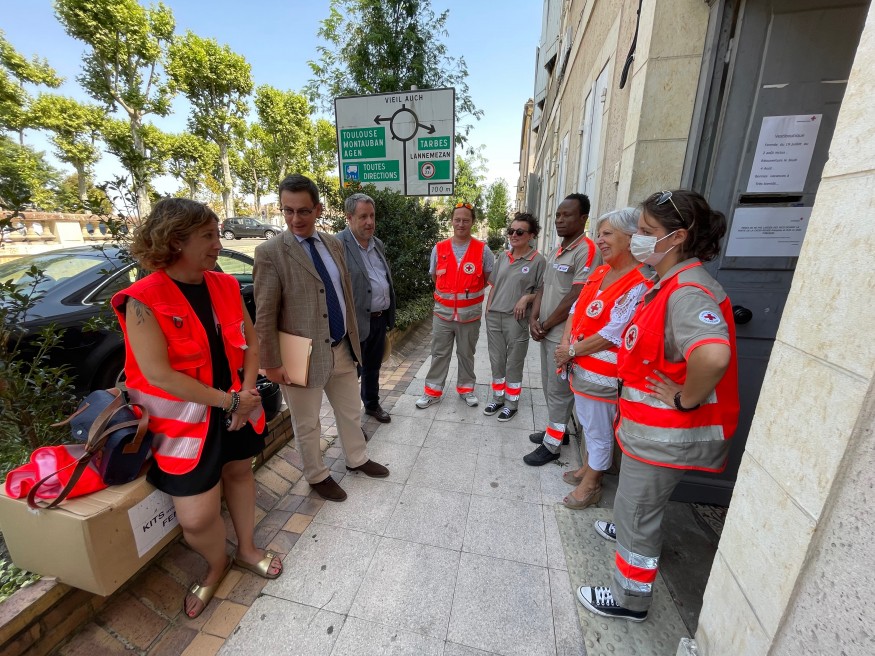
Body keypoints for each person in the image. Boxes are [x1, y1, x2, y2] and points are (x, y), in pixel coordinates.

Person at [111, 198, 282, 620]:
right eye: (208, 236)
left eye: (217, 234)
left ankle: (246, 549)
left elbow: (252, 343)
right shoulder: (142, 300)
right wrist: (231, 401)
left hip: (236, 408)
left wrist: (245, 394)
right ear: (175, 240)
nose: (218, 245)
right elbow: (160, 376)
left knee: (240, 473)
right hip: (185, 427)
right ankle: (216, 563)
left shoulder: (224, 285)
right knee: (196, 519)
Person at [576, 189, 739, 622]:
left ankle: (629, 598)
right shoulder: (665, 281)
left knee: (637, 514)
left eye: (647, 231)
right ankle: (628, 526)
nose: (638, 238)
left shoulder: (686, 292)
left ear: (677, 237)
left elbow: (713, 355)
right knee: (636, 504)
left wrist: (685, 398)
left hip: (664, 435)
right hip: (646, 431)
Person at [253, 174, 389, 503]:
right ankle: (316, 475)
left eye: (303, 210)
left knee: (350, 410)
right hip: (299, 354)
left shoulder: (333, 244)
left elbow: (344, 294)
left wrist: (354, 339)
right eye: (288, 210)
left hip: (341, 346)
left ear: (318, 209)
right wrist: (270, 363)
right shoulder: (270, 252)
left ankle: (357, 458)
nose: (295, 218)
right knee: (307, 423)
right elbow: (265, 314)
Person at [553, 208, 651, 508]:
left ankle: (592, 484)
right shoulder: (600, 272)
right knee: (587, 421)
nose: (600, 240)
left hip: (603, 374)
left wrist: (571, 350)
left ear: (631, 238)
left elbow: (614, 332)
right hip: (581, 367)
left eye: (607, 234)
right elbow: (576, 310)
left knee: (598, 429)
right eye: (599, 234)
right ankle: (588, 467)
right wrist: (566, 342)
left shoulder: (640, 280)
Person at [524, 193, 598, 465]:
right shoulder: (557, 250)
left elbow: (577, 295)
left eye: (567, 215)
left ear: (583, 218)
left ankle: (552, 445)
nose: (560, 220)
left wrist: (545, 324)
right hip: (547, 330)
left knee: (559, 390)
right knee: (548, 385)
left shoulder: (586, 250)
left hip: (563, 334)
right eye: (557, 215)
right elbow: (544, 287)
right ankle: (559, 431)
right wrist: (534, 318)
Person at [416, 202, 495, 409]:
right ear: (451, 221)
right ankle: (432, 391)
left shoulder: (483, 250)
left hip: (469, 315)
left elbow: (488, 279)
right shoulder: (439, 248)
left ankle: (466, 389)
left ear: (473, 222)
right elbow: (435, 277)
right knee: (439, 353)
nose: (461, 224)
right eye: (457, 220)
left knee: (466, 354)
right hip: (443, 314)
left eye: (465, 220)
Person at [337, 193, 396, 424]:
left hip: (378, 319)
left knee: (373, 367)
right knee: (350, 375)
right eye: (363, 217)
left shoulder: (377, 244)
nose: (370, 222)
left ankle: (371, 404)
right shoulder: (338, 245)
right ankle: (351, 423)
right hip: (354, 322)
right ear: (349, 217)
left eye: (372, 216)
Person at [482, 213, 546, 421]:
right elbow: (494, 286)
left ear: (531, 235)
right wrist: (488, 310)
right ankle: (498, 398)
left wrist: (527, 297)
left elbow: (543, 291)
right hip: (494, 317)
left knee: (514, 362)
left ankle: (511, 403)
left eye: (519, 232)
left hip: (516, 319)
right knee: (497, 360)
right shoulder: (502, 257)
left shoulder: (538, 261)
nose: (514, 235)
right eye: (511, 231)